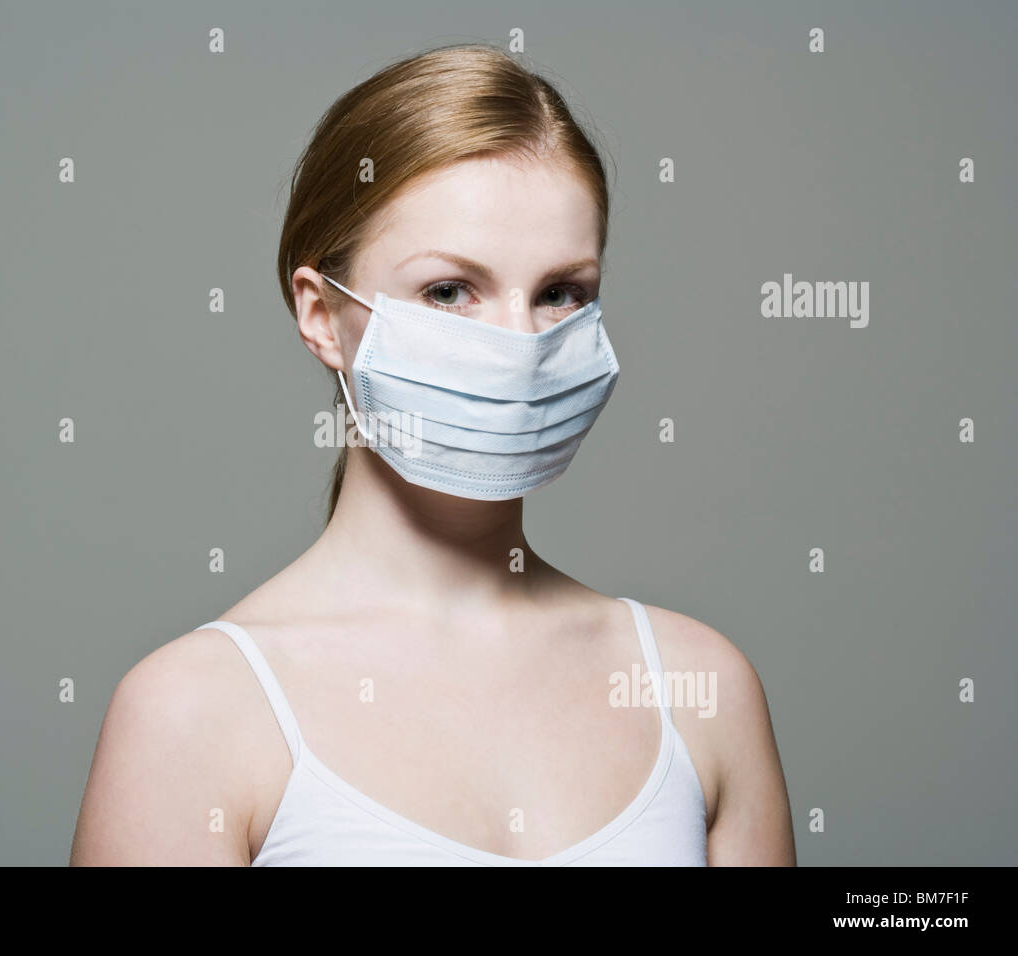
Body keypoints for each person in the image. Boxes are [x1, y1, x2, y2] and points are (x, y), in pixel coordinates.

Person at [70, 43, 795, 866]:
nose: (518, 344)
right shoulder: (192, 713)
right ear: (320, 315)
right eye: (449, 291)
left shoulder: (700, 692)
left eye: (562, 292)